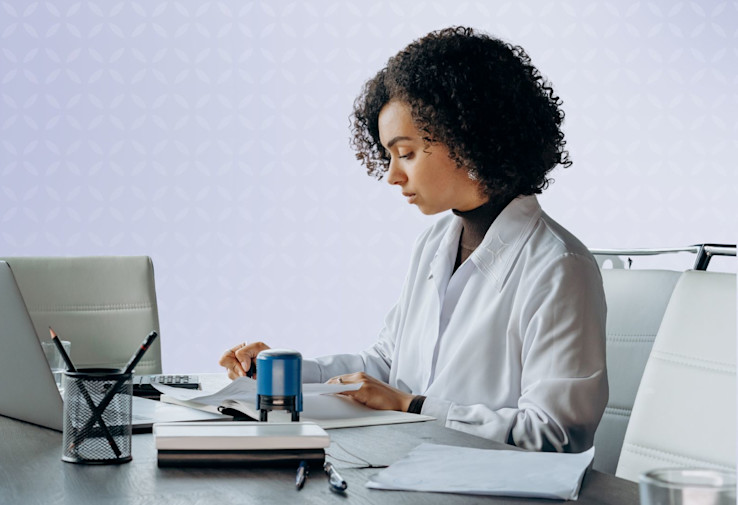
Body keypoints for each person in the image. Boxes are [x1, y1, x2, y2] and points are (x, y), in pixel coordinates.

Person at [220, 26, 607, 453]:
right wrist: (284, 374)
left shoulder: (559, 267)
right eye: (388, 156)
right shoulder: (436, 243)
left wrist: (413, 406)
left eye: (405, 153)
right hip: (411, 471)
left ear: (469, 137)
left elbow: (556, 435)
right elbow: (386, 367)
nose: (392, 175)